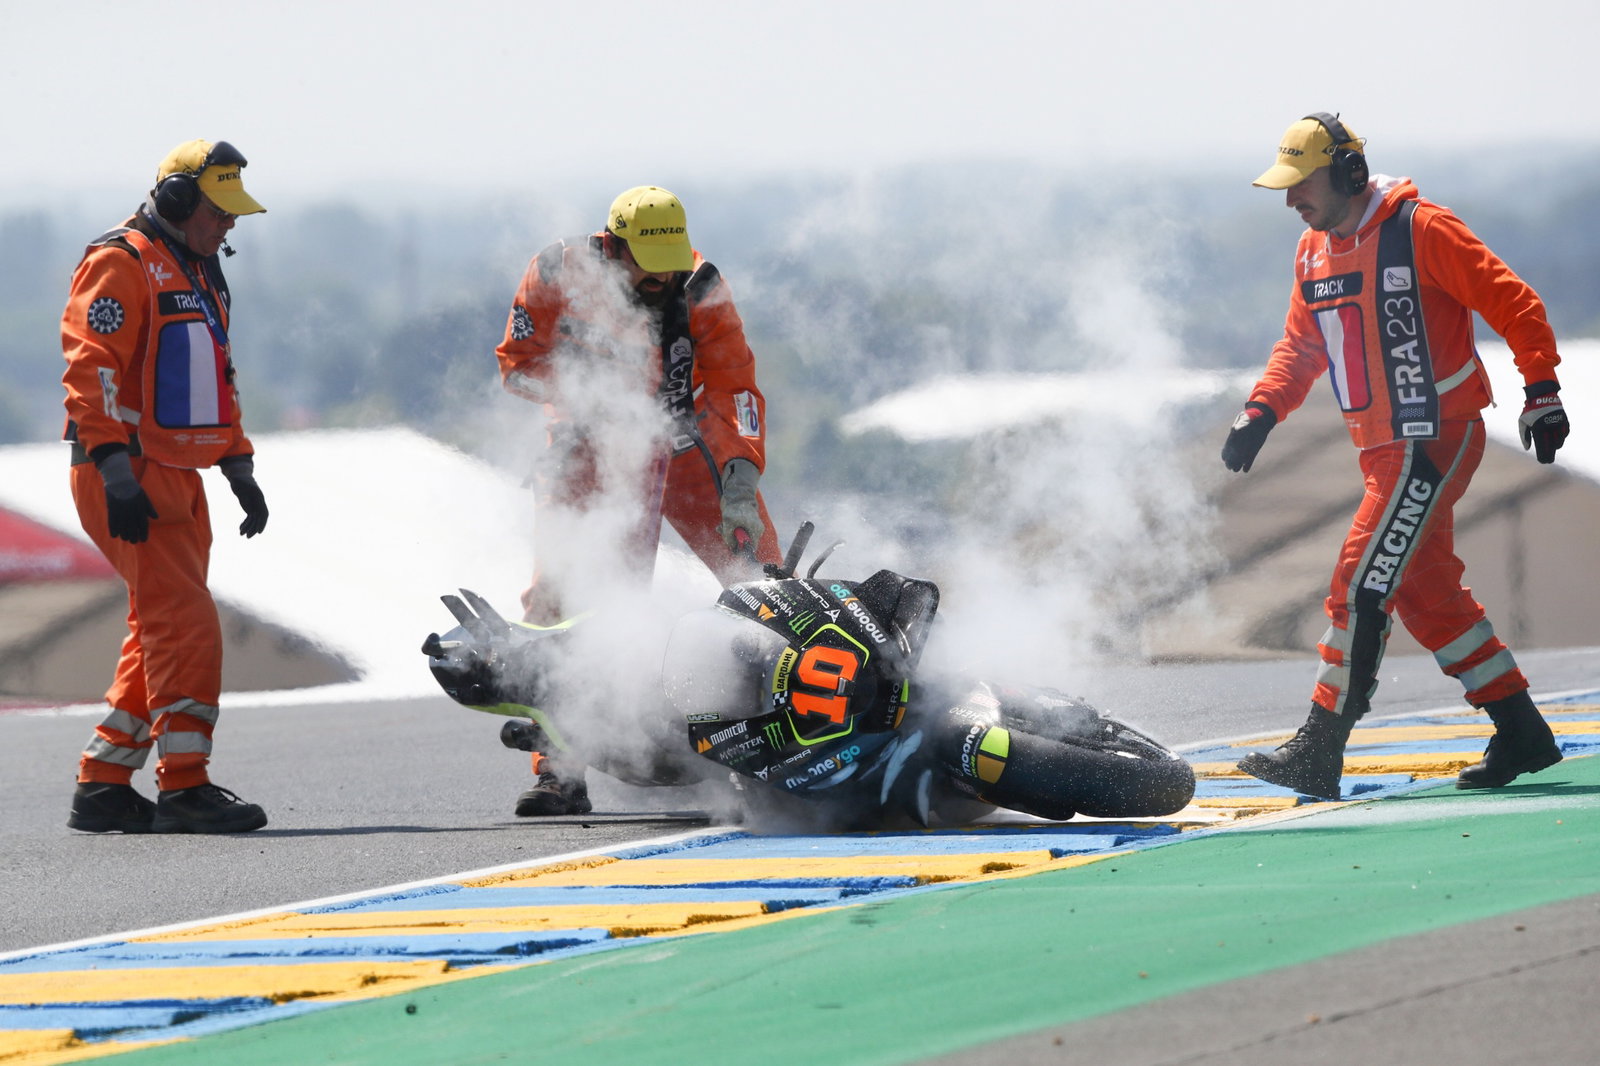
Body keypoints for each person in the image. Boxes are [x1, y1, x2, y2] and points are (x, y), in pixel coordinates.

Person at [1221, 112, 1571, 801]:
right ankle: (1522, 730)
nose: (1292, 201)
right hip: (1380, 449)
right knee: (1423, 590)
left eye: (1302, 185)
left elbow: (1513, 301)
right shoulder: (1313, 252)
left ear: (1349, 174)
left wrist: (1542, 390)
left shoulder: (1422, 229)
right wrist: (1260, 410)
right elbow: (1301, 348)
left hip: (1434, 436)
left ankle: (1319, 747)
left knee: (1359, 581)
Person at [493, 185, 782, 816]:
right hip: (585, 446)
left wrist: (740, 476)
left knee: (764, 580)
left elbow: (736, 388)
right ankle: (559, 770)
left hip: (686, 445)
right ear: (614, 246)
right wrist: (583, 405)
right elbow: (516, 363)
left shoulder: (702, 288)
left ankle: (783, 747)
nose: (662, 280)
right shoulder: (554, 272)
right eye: (649, 269)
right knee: (563, 601)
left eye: (669, 266)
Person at [62, 139, 272, 834]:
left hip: (177, 474)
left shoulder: (199, 268)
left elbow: (217, 375)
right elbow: (91, 369)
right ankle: (185, 786)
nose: (230, 224)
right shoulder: (120, 263)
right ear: (179, 201)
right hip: (128, 473)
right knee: (185, 625)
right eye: (219, 210)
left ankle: (103, 781)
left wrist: (238, 466)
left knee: (158, 623)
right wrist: (116, 471)